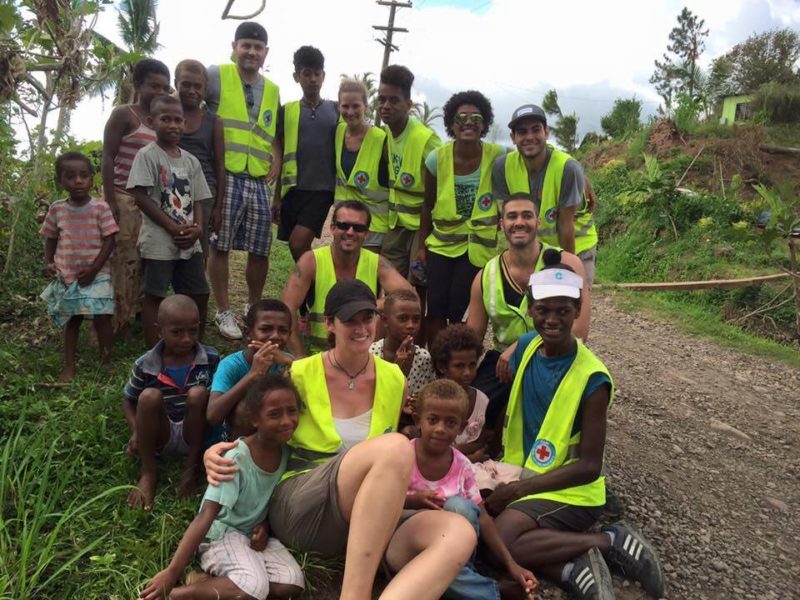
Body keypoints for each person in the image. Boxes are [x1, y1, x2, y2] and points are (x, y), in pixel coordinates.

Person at [204, 280, 477, 600]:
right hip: (304, 505)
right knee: (395, 447)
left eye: (368, 318)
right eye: (350, 319)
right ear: (330, 324)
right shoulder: (300, 373)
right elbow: (263, 431)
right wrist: (219, 451)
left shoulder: (394, 378)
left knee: (459, 533)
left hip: (368, 517)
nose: (361, 327)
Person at [484, 250, 664, 599]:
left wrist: (517, 491)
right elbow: (514, 404)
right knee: (484, 537)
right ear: (530, 311)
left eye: (563, 311)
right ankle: (572, 569)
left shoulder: (592, 378)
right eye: (543, 310)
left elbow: (589, 466)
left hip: (574, 489)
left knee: (500, 542)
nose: (552, 320)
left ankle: (608, 541)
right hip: (528, 474)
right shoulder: (526, 346)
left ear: (577, 311)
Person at [139, 374, 304, 600]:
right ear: (255, 419)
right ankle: (177, 595)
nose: (286, 421)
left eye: (292, 411)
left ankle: (218, 582)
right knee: (253, 588)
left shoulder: (286, 453)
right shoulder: (235, 459)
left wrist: (264, 527)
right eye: (274, 414)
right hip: (222, 533)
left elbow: (266, 500)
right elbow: (206, 516)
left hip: (250, 534)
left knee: (291, 583)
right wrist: (171, 572)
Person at [466, 193, 591, 440]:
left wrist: (522, 346)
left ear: (539, 222)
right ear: (501, 224)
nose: (519, 222)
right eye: (512, 216)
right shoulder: (485, 275)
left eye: (527, 215)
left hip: (555, 355)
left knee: (560, 423)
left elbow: (579, 330)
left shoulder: (567, 264)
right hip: (503, 362)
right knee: (472, 414)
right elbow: (471, 339)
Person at [405, 379, 537, 600]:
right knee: (435, 568)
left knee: (460, 506)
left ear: (462, 427)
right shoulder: (403, 456)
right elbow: (382, 503)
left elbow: (481, 516)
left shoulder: (462, 465)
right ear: (418, 420)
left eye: (450, 423)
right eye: (433, 420)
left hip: (452, 548)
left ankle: (458, 578)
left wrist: (511, 564)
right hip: (410, 543)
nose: (440, 429)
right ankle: (493, 591)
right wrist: (413, 500)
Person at [206, 22, 281, 340]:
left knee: (260, 249)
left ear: (266, 52)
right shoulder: (216, 75)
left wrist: (276, 157)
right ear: (234, 46)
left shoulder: (274, 89)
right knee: (219, 245)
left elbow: (275, 131)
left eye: (258, 47)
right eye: (246, 45)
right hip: (226, 175)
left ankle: (252, 307)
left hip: (258, 180)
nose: (252, 51)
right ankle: (223, 310)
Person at [417, 91, 505, 346]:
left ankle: (459, 364)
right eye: (461, 117)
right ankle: (438, 364)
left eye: (475, 117)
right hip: (441, 248)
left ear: (485, 124)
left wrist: (579, 173)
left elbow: (534, 151)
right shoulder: (437, 159)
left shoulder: (498, 155)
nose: (468, 122)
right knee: (435, 310)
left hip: (476, 250)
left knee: (460, 311)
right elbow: (427, 205)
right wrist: (422, 247)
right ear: (451, 124)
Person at [127, 94, 212, 347]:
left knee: (199, 292)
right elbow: (140, 196)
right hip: (159, 240)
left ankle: (196, 346)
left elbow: (198, 198)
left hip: (190, 241)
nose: (173, 125)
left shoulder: (191, 160)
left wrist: (197, 228)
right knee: (155, 293)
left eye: (178, 120)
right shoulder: (147, 155)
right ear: (152, 122)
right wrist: (172, 226)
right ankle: (155, 348)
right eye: (166, 119)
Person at [123, 294, 219, 511]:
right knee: (148, 396)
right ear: (160, 331)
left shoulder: (211, 359)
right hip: (160, 433)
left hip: (194, 432)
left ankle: (191, 468)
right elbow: (128, 401)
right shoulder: (145, 363)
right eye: (176, 332)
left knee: (198, 394)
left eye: (193, 331)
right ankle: (148, 473)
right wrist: (136, 431)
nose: (186, 339)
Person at [280, 200, 412, 356]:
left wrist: (371, 306)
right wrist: (300, 359)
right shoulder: (311, 261)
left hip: (364, 357)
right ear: (332, 228)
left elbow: (409, 297)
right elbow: (286, 308)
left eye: (358, 228)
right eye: (343, 225)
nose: (350, 232)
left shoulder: (376, 263)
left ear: (366, 233)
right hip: (319, 355)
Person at [492, 104, 599, 286]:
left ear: (546, 133)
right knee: (536, 305)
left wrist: (568, 270)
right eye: (522, 132)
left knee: (573, 299)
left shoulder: (567, 168)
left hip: (577, 244)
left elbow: (566, 225)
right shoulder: (502, 167)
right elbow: (510, 221)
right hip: (536, 247)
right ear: (513, 138)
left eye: (536, 130)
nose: (529, 137)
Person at [101, 58, 170, 333]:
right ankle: (115, 323)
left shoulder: (163, 120)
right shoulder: (124, 114)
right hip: (124, 198)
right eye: (154, 85)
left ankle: (140, 316)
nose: (159, 92)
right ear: (138, 84)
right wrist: (109, 202)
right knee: (121, 261)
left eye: (165, 87)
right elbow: (108, 156)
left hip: (152, 203)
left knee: (146, 261)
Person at [40, 152, 119, 382]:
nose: (78, 181)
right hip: (69, 275)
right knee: (72, 319)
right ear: (60, 180)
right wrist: (49, 263)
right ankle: (69, 366)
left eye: (84, 175)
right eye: (70, 176)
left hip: (99, 274)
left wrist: (94, 269)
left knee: (102, 317)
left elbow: (110, 240)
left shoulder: (100, 208)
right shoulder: (57, 209)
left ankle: (105, 361)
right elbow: (51, 238)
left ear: (91, 179)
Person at [274, 46, 339, 262]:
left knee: (298, 242)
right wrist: (276, 197)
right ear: (296, 76)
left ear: (324, 76)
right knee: (296, 248)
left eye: (317, 73)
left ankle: (314, 282)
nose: (313, 79)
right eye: (306, 73)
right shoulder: (286, 111)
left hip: (322, 190)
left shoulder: (336, 110)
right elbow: (281, 152)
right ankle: (309, 289)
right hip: (293, 190)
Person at [378, 65, 441, 285]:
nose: (386, 106)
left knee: (416, 284)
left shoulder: (426, 140)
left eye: (393, 100)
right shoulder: (384, 134)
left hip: (421, 229)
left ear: (408, 104)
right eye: (381, 99)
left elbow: (440, 191)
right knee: (391, 284)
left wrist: (424, 242)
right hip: (396, 225)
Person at [207, 299, 293, 439]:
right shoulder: (231, 364)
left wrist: (290, 363)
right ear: (248, 333)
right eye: (266, 329)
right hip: (231, 439)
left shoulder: (290, 362)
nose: (275, 336)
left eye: (282, 330)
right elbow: (212, 416)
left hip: (272, 434)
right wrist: (252, 375)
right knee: (247, 408)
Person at [175, 59, 225, 259]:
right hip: (167, 189)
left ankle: (194, 289)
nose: (192, 90)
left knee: (198, 252)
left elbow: (220, 164)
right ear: (176, 82)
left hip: (203, 193)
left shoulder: (213, 121)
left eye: (198, 86)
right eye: (186, 84)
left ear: (205, 90)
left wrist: (218, 207)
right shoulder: (165, 115)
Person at [335, 78, 390, 251]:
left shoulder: (382, 140)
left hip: (371, 231)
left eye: (356, 106)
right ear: (339, 107)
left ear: (366, 107)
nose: (350, 112)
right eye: (345, 106)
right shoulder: (337, 132)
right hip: (343, 226)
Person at [429, 324, 491, 461]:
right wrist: (471, 457)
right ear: (442, 366)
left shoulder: (481, 400)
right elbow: (431, 447)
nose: (467, 373)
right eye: (459, 366)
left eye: (472, 365)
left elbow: (479, 442)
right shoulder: (430, 399)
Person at [370, 288, 435, 398]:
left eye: (416, 319)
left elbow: (425, 399)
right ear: (385, 320)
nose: (411, 325)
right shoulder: (371, 354)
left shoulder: (423, 358)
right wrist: (397, 370)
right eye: (403, 318)